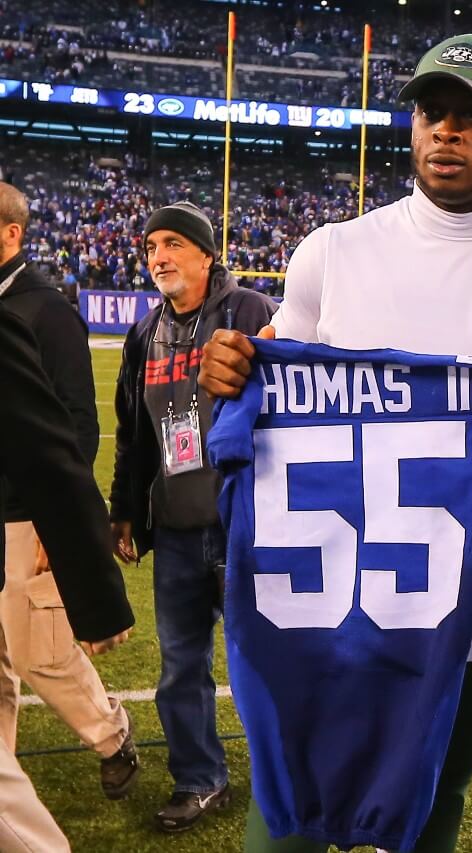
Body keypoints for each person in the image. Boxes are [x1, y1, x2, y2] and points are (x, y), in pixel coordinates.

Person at [197, 34, 472, 853]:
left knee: (430, 821)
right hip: (315, 611)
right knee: (284, 827)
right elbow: (265, 394)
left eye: (471, 116)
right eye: (430, 112)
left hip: (461, 628)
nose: (444, 132)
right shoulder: (333, 253)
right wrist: (232, 370)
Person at [108, 202, 277, 832]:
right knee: (181, 664)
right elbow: (132, 434)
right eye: (151, 246)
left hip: (248, 526)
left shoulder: (252, 313)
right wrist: (125, 510)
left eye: (174, 243)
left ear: (206, 254)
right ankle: (201, 780)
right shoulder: (144, 332)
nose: (159, 256)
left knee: (269, 657)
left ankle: (290, 773)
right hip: (178, 527)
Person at [0, 183, 139, 799]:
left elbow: (77, 426)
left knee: (42, 655)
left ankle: (113, 734)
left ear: (12, 233)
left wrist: (63, 527)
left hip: (25, 514)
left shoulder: (45, 308)